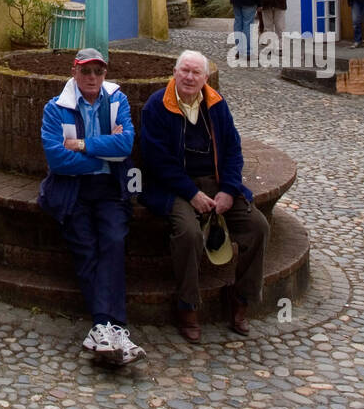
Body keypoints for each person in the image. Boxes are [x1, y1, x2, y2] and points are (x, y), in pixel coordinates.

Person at [140, 50, 269, 344]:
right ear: (174, 72)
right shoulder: (157, 106)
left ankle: (241, 299)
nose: (188, 77)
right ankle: (187, 306)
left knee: (257, 227)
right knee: (188, 233)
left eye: (195, 73)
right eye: (184, 70)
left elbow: (234, 151)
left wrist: (228, 189)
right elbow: (156, 161)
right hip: (174, 188)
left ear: (205, 78)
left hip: (217, 184)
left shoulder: (216, 104)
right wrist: (191, 193)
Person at [38, 48, 146, 365]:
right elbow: (57, 159)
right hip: (72, 189)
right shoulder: (56, 108)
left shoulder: (117, 101)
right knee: (86, 247)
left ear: (105, 74)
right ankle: (109, 327)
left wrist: (84, 145)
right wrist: (104, 150)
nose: (92, 78)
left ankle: (106, 329)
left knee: (113, 241)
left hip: (110, 188)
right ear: (74, 72)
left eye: (98, 72)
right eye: (86, 71)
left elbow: (125, 145)